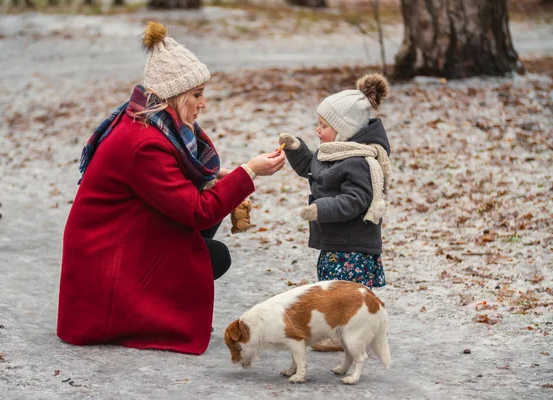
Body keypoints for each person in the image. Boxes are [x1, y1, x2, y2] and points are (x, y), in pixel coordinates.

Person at [57, 21, 285, 355]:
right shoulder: (143, 144)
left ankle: (162, 295)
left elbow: (174, 182)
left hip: (115, 243)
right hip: (106, 267)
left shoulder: (145, 121)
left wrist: (222, 178)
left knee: (208, 228)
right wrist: (248, 173)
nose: (203, 103)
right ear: (174, 96)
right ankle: (147, 312)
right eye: (197, 94)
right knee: (214, 255)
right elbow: (197, 210)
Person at [278, 73, 392, 289]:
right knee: (331, 299)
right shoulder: (334, 154)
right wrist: (296, 149)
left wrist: (320, 209)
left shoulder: (358, 161)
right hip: (336, 245)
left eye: (324, 125)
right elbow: (313, 168)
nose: (317, 129)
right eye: (318, 123)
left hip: (352, 252)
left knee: (346, 303)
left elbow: (355, 200)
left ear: (345, 130)